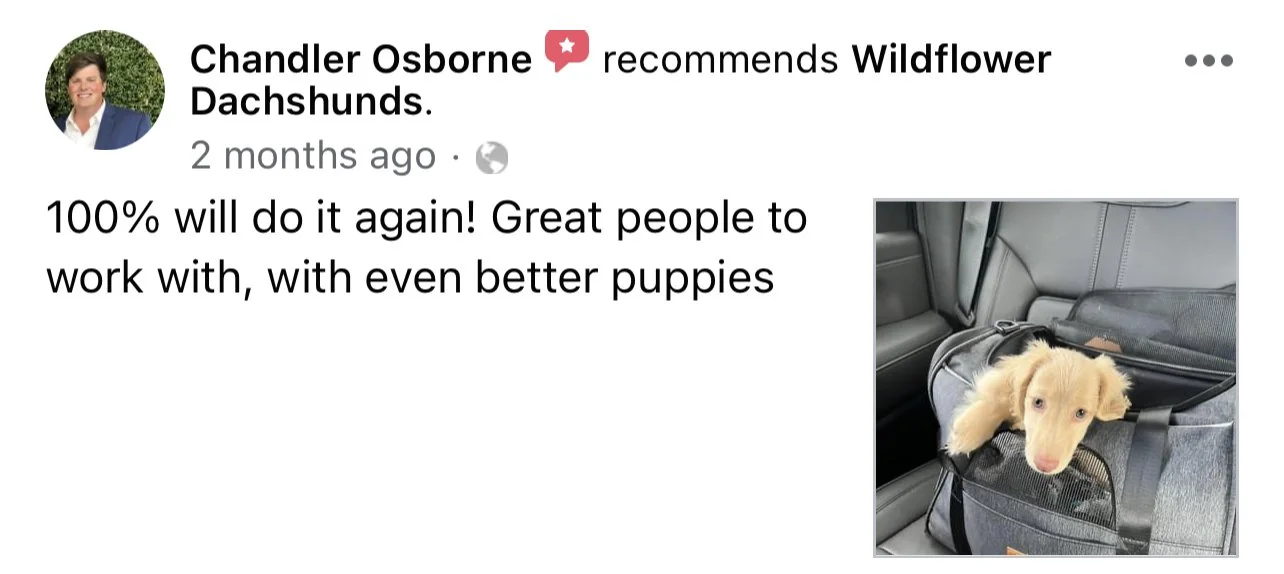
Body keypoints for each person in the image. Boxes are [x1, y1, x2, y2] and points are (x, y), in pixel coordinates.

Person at [54, 52, 152, 150]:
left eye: (91, 80)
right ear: (68, 88)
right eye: (76, 81)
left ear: (104, 86)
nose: (83, 87)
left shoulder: (135, 125)